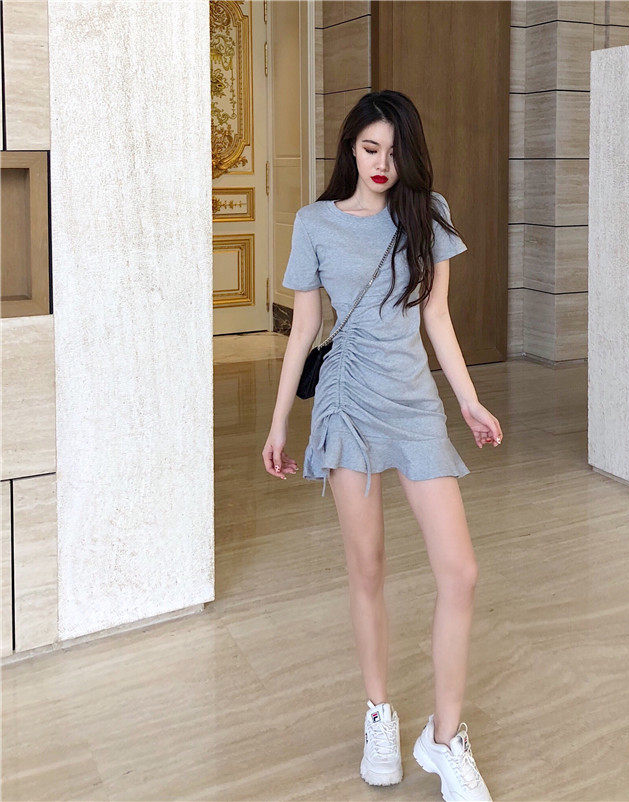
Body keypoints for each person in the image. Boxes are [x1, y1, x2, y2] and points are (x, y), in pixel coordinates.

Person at [262, 89, 502, 802]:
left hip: (414, 401)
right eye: (370, 149)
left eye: (395, 153)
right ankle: (379, 715)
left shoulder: (428, 214)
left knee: (460, 571)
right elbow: (305, 328)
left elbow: (437, 317)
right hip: (347, 402)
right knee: (366, 569)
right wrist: (279, 423)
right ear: (350, 147)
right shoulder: (315, 223)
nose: (382, 164)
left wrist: (468, 399)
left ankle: (444, 739)